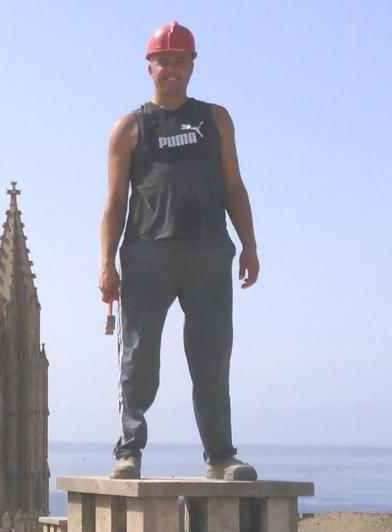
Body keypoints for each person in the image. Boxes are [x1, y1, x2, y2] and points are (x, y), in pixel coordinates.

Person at [99, 21, 260, 481]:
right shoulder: (130, 128)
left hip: (209, 252)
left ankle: (221, 456)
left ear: (192, 65)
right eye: (163, 60)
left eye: (180, 60)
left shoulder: (216, 119)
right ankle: (129, 451)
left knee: (212, 357)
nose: (171, 68)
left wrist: (249, 245)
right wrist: (106, 263)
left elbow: (234, 185)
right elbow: (114, 201)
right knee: (138, 356)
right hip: (147, 253)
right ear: (149, 66)